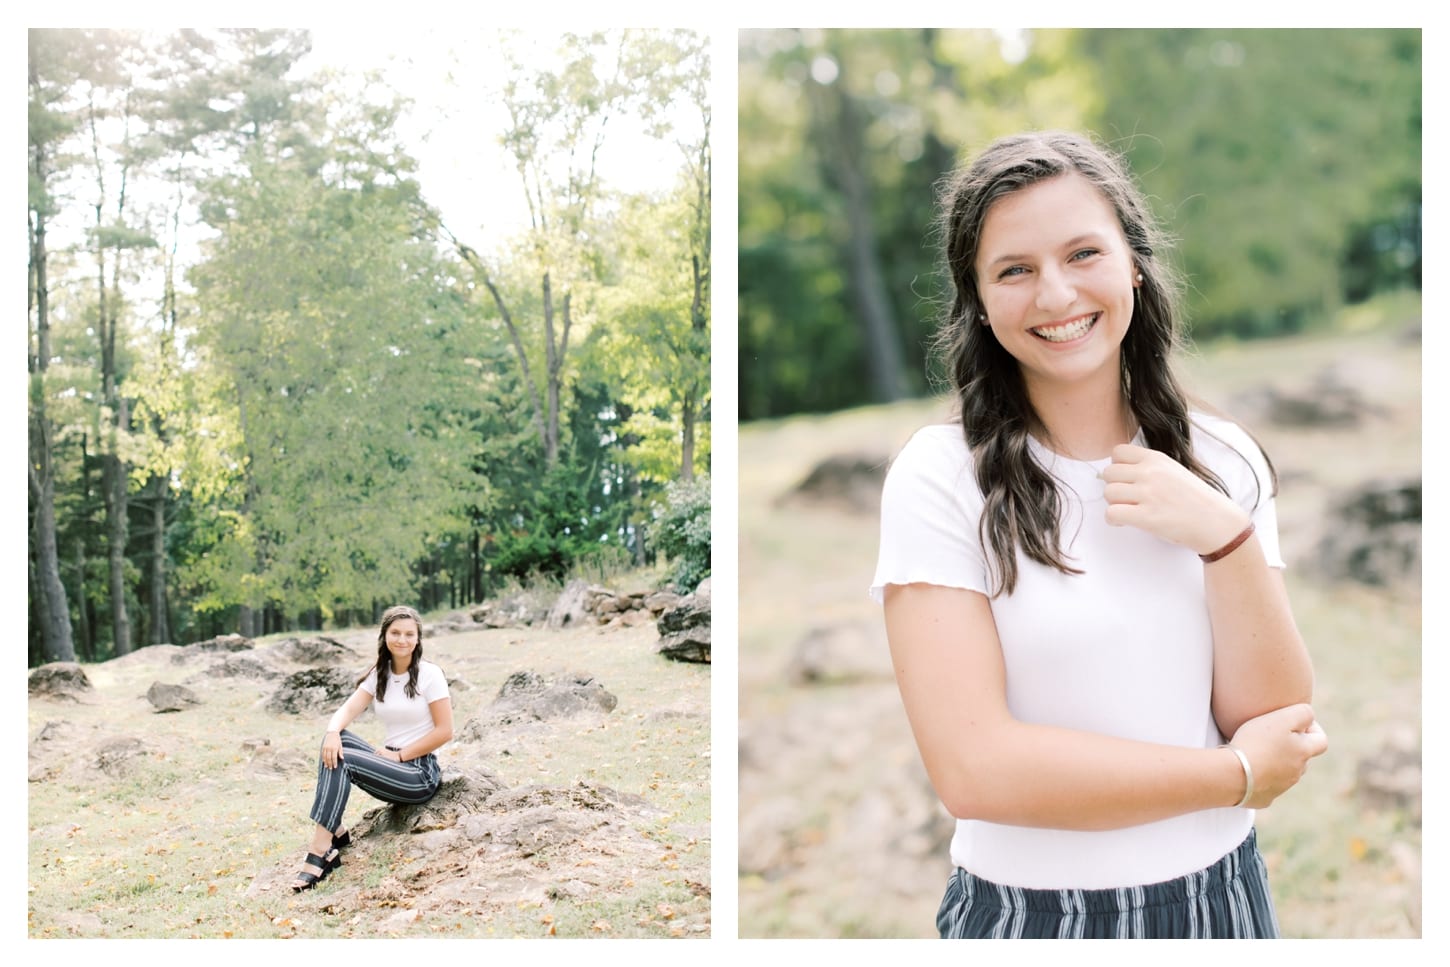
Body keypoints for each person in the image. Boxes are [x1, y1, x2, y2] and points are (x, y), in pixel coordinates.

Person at [871, 131, 1329, 938]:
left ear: (1134, 264)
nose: (1055, 294)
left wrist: (1227, 540)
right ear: (977, 299)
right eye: (1015, 269)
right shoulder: (940, 477)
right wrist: (1232, 774)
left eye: (1083, 253)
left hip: (1223, 905)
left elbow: (1274, 716)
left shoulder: (1222, 459)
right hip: (1029, 919)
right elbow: (976, 770)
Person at [292, 604, 454, 892]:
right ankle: (336, 830)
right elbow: (348, 708)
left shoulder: (430, 675)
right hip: (390, 762)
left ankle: (321, 850)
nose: (402, 640)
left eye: (409, 634)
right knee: (334, 740)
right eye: (395, 633)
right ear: (384, 636)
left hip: (418, 772)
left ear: (418, 639)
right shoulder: (380, 673)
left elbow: (445, 731)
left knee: (345, 760)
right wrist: (331, 731)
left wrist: (401, 755)